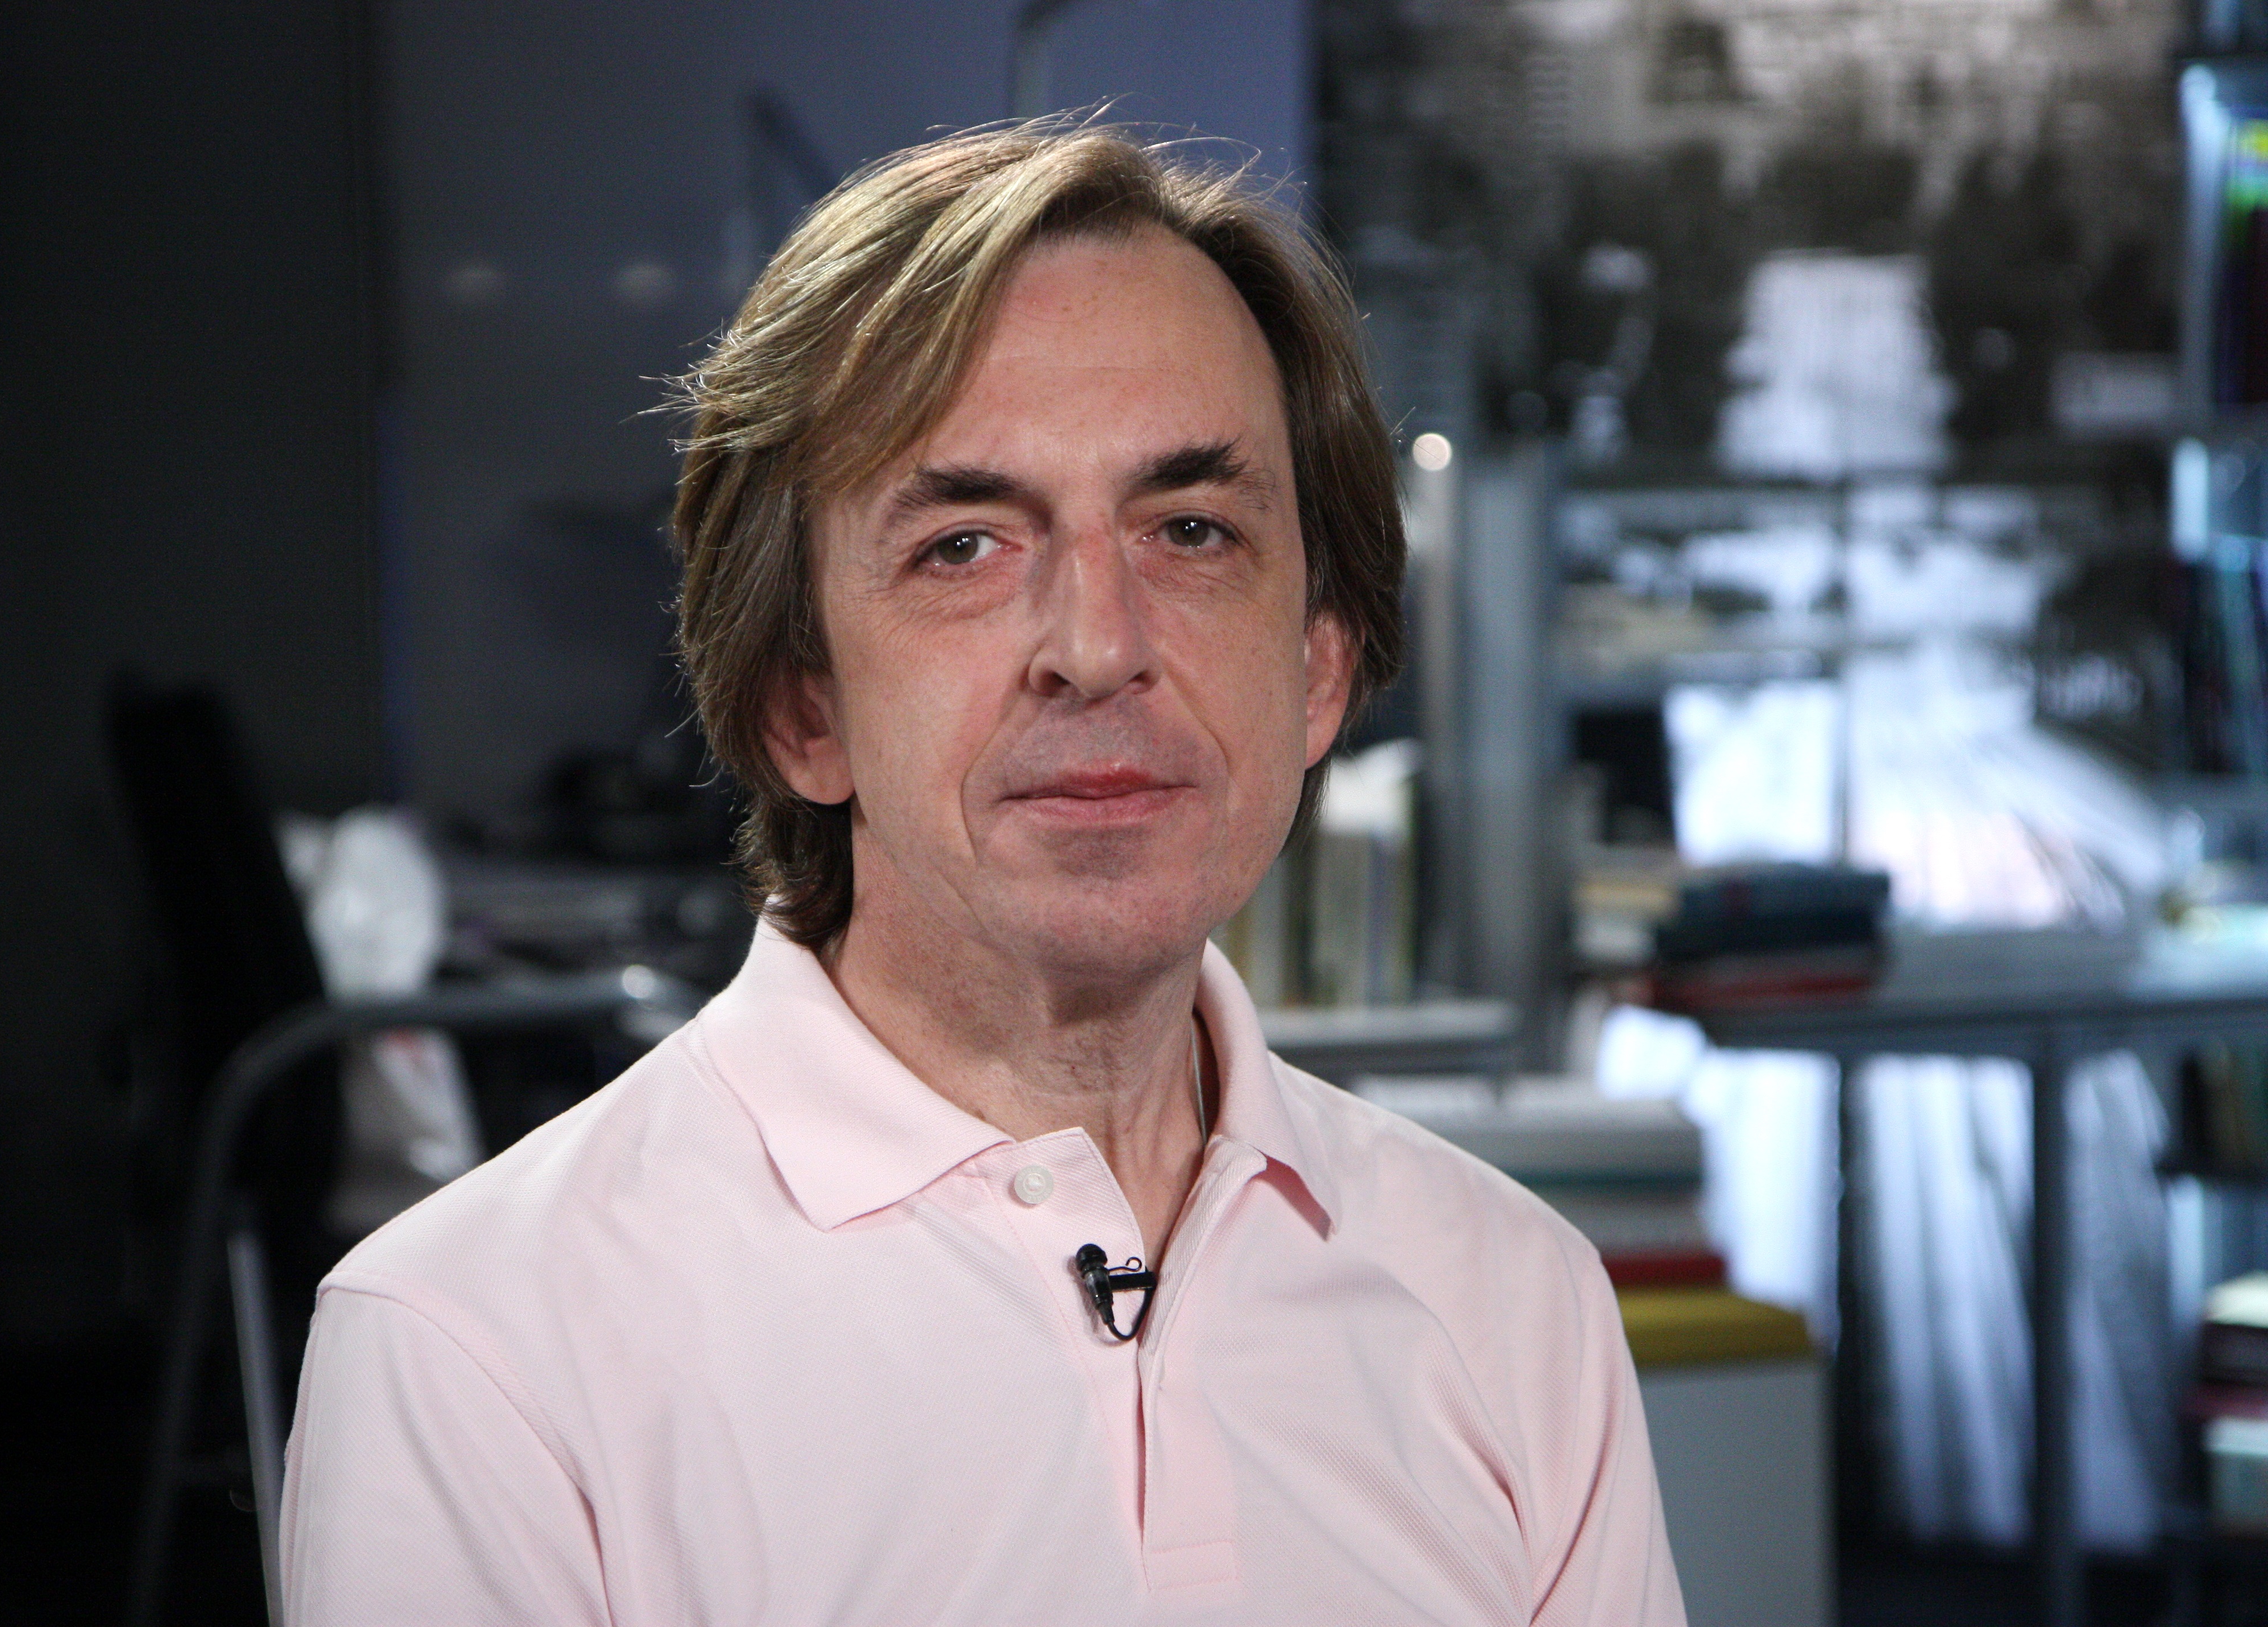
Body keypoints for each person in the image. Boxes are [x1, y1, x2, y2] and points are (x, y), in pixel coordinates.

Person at [282, 119, 1684, 1625]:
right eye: (963, 546)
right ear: (802, 706)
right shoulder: (480, 1353)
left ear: (1319, 674)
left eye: (1191, 530)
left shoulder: (1514, 1303)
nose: (1099, 645)